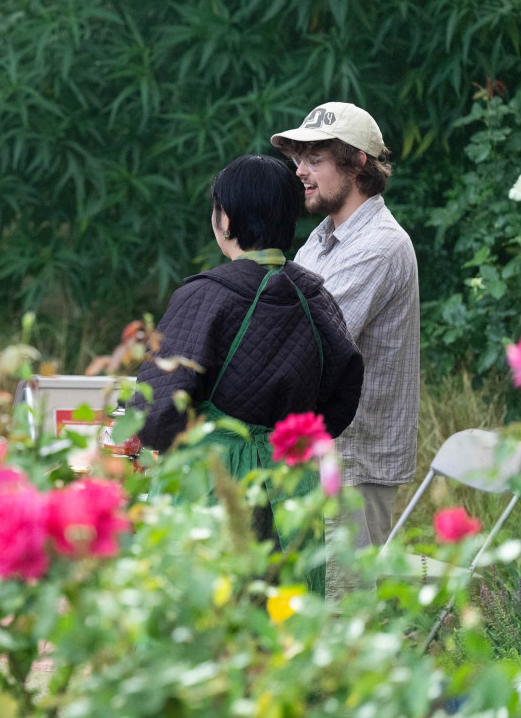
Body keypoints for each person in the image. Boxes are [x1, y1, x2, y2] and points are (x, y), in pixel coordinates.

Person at [130, 155, 364, 581]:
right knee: (279, 619)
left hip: (213, 483)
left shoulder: (205, 296)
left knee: (210, 617)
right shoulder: (317, 300)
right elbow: (344, 391)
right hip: (292, 485)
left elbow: (156, 408)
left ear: (226, 218)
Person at [270, 101, 421, 592]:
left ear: (357, 162)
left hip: (354, 464)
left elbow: (306, 343)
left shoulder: (379, 244)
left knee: (340, 617)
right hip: (321, 457)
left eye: (314, 157)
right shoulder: (321, 237)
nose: (299, 171)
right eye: (298, 157)